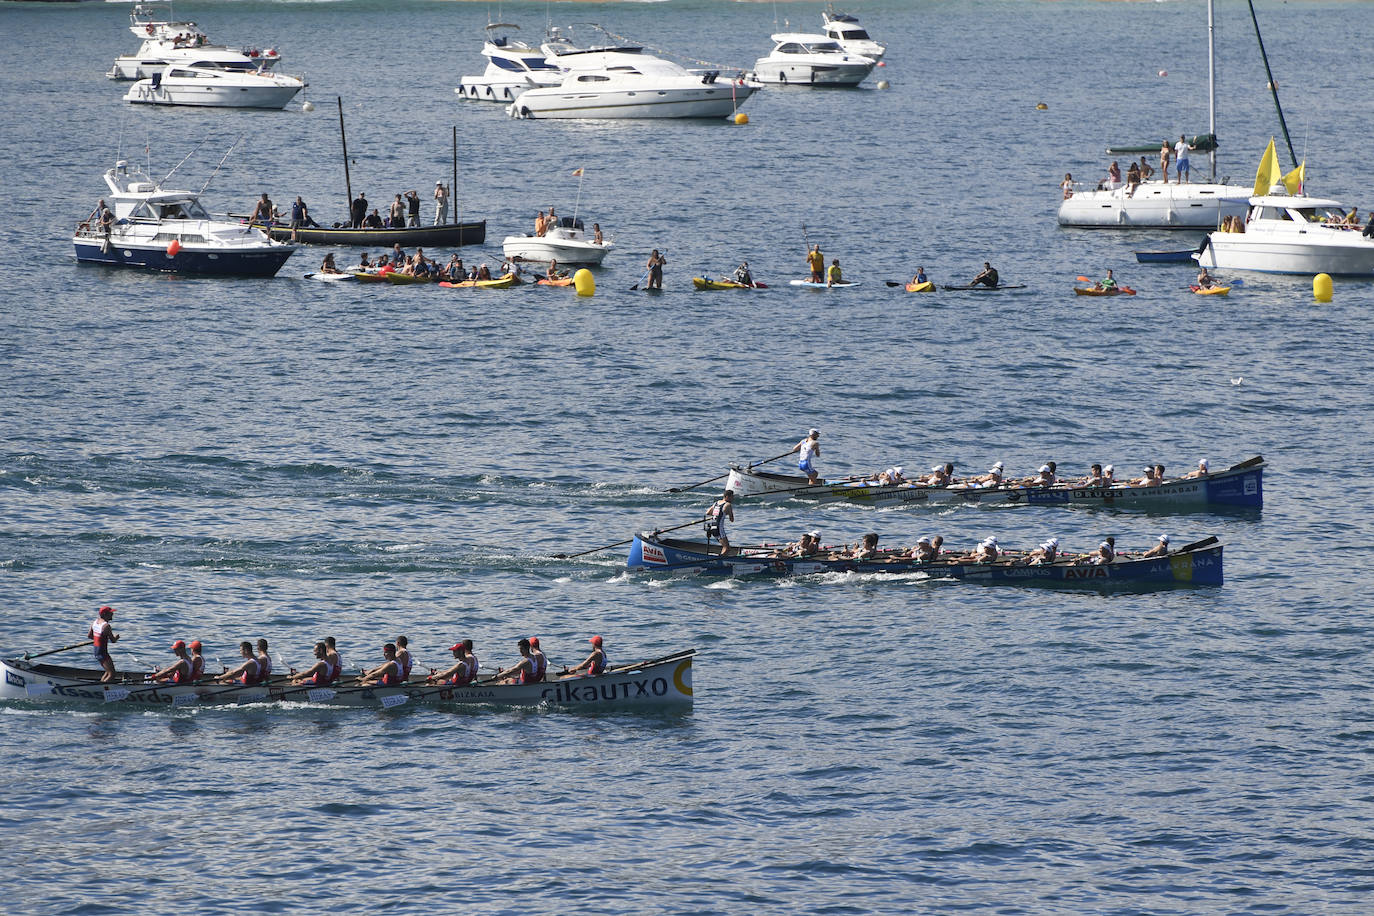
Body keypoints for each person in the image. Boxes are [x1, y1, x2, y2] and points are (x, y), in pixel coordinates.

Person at [88, 605, 119, 683]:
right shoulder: (106, 626)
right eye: (110, 613)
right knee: (112, 674)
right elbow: (113, 640)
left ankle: (101, 684)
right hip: (102, 652)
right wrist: (116, 637)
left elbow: (90, 636)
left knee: (108, 671)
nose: (112, 614)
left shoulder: (95, 622)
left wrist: (99, 639)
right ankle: (102, 689)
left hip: (96, 651)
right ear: (105, 614)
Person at [705, 489, 735, 555]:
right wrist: (727, 513)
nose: (732, 499)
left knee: (725, 547)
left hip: (712, 528)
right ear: (727, 496)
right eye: (732, 497)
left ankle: (719, 558)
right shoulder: (728, 505)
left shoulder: (716, 503)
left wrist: (717, 514)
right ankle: (719, 561)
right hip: (719, 529)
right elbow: (732, 520)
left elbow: (708, 513)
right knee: (727, 548)